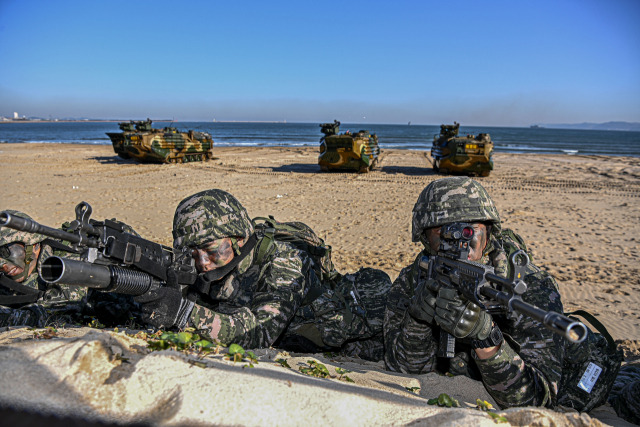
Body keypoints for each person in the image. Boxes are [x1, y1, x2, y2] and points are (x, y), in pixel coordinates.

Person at [383, 177, 626, 413]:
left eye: (469, 231)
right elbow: (401, 368)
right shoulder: (414, 278)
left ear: (488, 232)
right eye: (441, 232)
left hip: (574, 377)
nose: (458, 243)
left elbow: (537, 402)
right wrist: (417, 322)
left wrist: (487, 339)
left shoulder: (529, 287)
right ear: (426, 238)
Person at [135, 189, 392, 361]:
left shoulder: (285, 260)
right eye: (192, 253)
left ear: (239, 238)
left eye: (212, 250)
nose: (202, 263)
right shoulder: (210, 262)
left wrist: (181, 312)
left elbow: (259, 333)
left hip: (348, 335)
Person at [0, 210, 86, 327]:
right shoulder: (7, 275)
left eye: (4, 252)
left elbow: (61, 316)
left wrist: (6, 318)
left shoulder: (65, 261)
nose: (2, 265)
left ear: (33, 244)